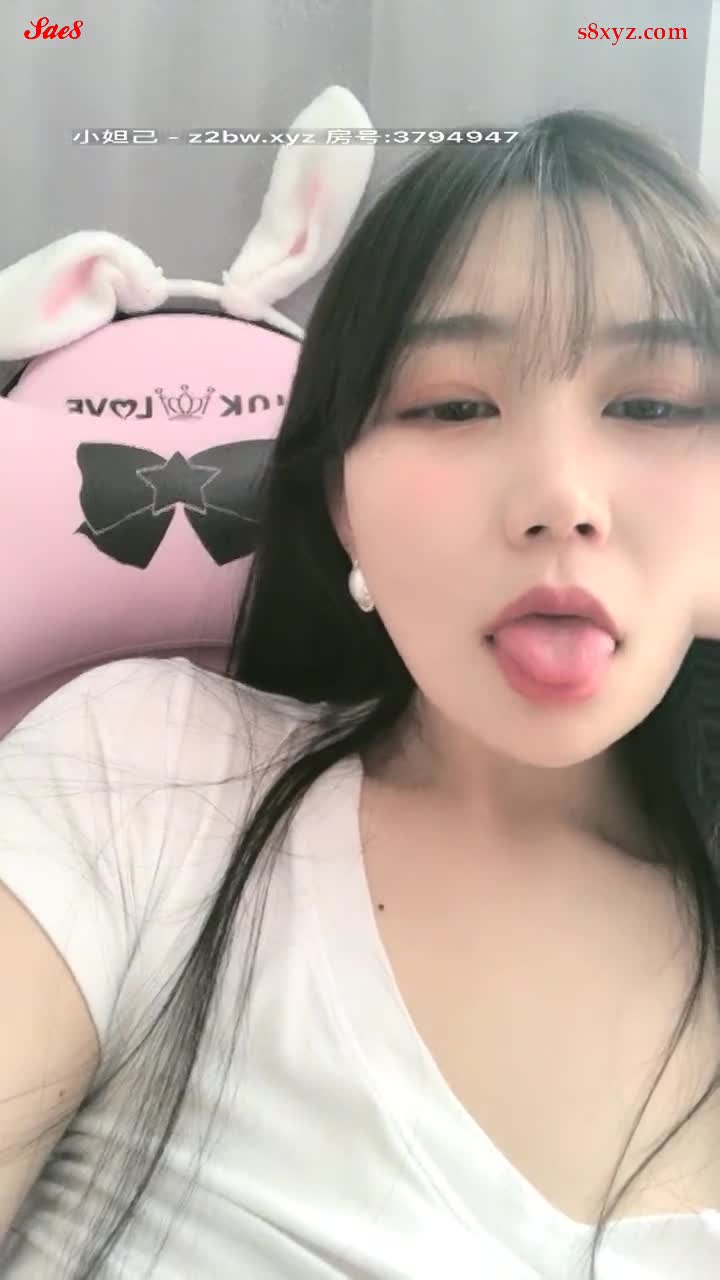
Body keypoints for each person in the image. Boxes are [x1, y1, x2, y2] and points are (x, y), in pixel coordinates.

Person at [2, 108, 720, 1280]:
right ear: (341, 504)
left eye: (652, 405)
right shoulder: (146, 773)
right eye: (453, 404)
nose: (561, 498)